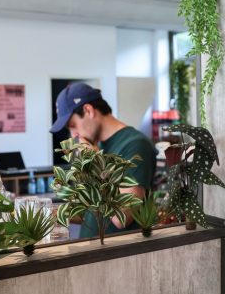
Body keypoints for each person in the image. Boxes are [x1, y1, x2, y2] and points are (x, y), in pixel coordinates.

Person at [50, 82, 156, 238]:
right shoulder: (97, 146)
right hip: (90, 248)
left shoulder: (135, 145)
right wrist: (54, 213)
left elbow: (122, 217)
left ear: (88, 110)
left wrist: (95, 164)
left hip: (116, 251)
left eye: (73, 125)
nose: (73, 135)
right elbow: (92, 211)